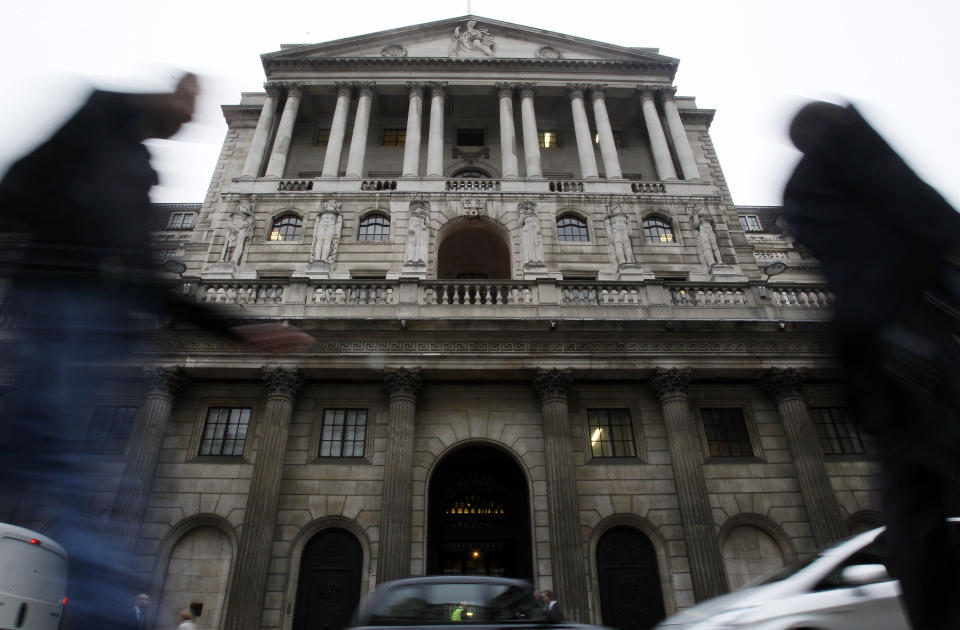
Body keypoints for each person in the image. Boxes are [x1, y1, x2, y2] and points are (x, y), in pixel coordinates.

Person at [0, 73, 311, 630]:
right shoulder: (96, 129)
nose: (190, 119)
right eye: (185, 105)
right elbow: (19, 190)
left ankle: (102, 609)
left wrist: (238, 328)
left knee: (59, 468)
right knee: (56, 468)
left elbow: (152, 279)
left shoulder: (137, 172)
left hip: (92, 329)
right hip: (57, 315)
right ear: (161, 97)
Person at [783, 101, 960, 630]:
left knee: (911, 510)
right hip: (921, 340)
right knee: (917, 496)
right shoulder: (853, 148)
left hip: (876, 359)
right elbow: (924, 211)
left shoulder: (800, 193)